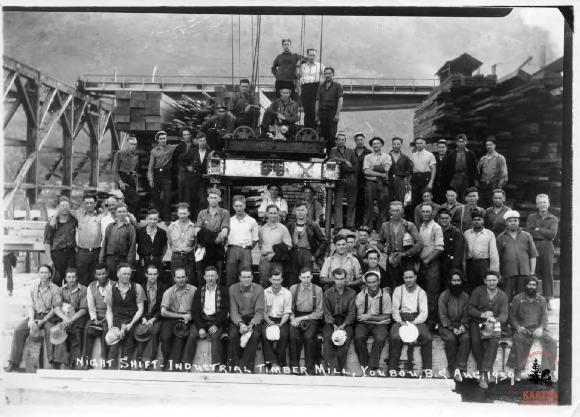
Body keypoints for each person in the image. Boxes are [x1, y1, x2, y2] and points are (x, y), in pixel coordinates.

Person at [5, 265, 63, 372]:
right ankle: (13, 362)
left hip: (48, 317)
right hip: (35, 315)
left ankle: (52, 362)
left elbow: (55, 308)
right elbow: (31, 305)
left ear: (50, 274)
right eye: (41, 272)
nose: (44, 275)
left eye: (46, 273)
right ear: (38, 274)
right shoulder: (34, 287)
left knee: (50, 331)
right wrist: (31, 319)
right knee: (19, 330)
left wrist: (44, 320)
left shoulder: (56, 289)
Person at [506, 276, 557, 381]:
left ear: (536, 286)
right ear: (525, 286)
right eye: (529, 284)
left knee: (551, 341)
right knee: (519, 340)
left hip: (538, 329)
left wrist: (541, 328)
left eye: (534, 285)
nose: (531, 287)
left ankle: (548, 371)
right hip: (523, 329)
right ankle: (518, 370)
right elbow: (512, 316)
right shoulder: (517, 299)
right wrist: (518, 327)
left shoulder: (541, 300)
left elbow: (545, 318)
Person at [468, 271, 508, 389]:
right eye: (489, 280)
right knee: (476, 342)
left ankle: (483, 374)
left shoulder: (502, 295)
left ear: (498, 280)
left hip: (494, 323)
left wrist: (494, 320)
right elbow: (470, 308)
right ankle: (484, 373)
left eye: (494, 280)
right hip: (478, 322)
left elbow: (504, 315)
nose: (491, 282)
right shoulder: (478, 291)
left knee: (493, 342)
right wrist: (482, 314)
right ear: (485, 281)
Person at [389, 268, 432, 373]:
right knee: (395, 337)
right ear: (403, 278)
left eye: (411, 277)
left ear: (415, 277)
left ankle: (427, 369)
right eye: (406, 277)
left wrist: (414, 323)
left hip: (416, 319)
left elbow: (424, 312)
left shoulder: (421, 292)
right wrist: (400, 322)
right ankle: (392, 368)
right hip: (401, 318)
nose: (408, 280)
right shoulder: (398, 290)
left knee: (427, 337)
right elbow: (394, 309)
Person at [105, 263, 145, 370]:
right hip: (116, 322)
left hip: (131, 321)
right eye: (124, 274)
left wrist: (131, 324)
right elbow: (109, 311)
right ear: (118, 274)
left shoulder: (137, 288)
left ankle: (125, 375)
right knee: (112, 351)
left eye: (128, 274)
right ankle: (110, 375)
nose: (126, 276)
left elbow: (140, 309)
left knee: (128, 350)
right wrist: (110, 327)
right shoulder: (110, 289)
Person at [159, 267, 197, 370]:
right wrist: (181, 316)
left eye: (183, 277)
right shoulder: (169, 292)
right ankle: (168, 363)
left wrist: (189, 316)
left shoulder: (194, 290)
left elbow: (198, 308)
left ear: (187, 277)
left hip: (189, 318)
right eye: (178, 277)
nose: (181, 280)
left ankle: (174, 367)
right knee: (165, 337)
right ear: (174, 278)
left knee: (179, 336)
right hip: (172, 317)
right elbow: (163, 312)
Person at [377, 201, 423, 287]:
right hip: (391, 260)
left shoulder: (409, 225)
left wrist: (406, 253)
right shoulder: (385, 226)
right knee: (391, 285)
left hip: (406, 261)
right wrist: (383, 248)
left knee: (407, 285)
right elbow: (379, 242)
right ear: (390, 211)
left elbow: (420, 243)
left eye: (398, 210)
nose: (395, 213)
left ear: (402, 210)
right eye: (393, 210)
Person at [228, 267, 265, 372]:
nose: (246, 279)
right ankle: (234, 365)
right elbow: (233, 311)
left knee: (254, 336)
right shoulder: (232, 289)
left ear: (252, 277)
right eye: (244, 277)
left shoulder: (259, 289)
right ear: (240, 277)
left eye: (249, 277)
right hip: (238, 318)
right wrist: (240, 324)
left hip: (253, 319)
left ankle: (246, 367)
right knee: (233, 334)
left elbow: (259, 312)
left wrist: (251, 325)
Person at [192, 266, 230, 367]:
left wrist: (216, 325)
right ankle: (185, 363)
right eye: (208, 276)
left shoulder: (223, 290)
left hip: (216, 320)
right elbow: (195, 311)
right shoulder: (199, 290)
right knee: (191, 335)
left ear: (217, 276)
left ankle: (217, 366)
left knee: (215, 337)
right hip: (202, 320)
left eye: (213, 275)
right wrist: (200, 328)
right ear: (204, 277)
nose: (210, 278)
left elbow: (225, 310)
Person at [496, 210, 538, 301]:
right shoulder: (500, 237)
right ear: (506, 223)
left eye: (515, 220)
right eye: (510, 221)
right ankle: (507, 314)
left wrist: (532, 272)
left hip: (524, 273)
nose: (513, 223)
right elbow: (497, 258)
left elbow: (533, 255)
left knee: (522, 297)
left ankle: (520, 314)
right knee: (506, 297)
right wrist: (498, 273)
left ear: (518, 222)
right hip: (507, 273)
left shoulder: (527, 236)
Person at [288, 267, 324, 375]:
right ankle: (294, 368)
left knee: (309, 337)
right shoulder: (293, 289)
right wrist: (293, 318)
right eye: (303, 277)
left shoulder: (317, 290)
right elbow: (289, 308)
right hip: (296, 316)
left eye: (308, 277)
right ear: (299, 277)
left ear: (312, 277)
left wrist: (301, 318)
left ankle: (310, 369)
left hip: (311, 317)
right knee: (293, 337)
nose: (306, 280)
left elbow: (319, 312)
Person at [354, 271, 391, 371]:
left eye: (374, 282)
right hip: (365, 324)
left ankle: (372, 367)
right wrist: (378, 319)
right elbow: (360, 317)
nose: (372, 284)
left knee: (380, 338)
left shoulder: (386, 296)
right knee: (359, 337)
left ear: (379, 281)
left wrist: (369, 316)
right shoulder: (360, 296)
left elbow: (387, 316)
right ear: (366, 283)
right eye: (369, 282)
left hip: (379, 325)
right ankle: (365, 366)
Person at [526, 194, 558, 310]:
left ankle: (548, 299)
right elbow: (529, 232)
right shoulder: (531, 217)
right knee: (532, 271)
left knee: (547, 272)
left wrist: (538, 229)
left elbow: (552, 234)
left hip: (547, 246)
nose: (543, 204)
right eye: (540, 202)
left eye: (545, 202)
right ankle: (531, 297)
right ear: (537, 205)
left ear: (548, 204)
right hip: (534, 244)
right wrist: (544, 232)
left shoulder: (553, 218)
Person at [437, 270, 470, 381]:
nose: (456, 283)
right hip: (446, 326)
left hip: (460, 325)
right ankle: (452, 369)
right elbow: (442, 316)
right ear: (450, 282)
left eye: (458, 280)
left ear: (461, 281)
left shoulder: (465, 297)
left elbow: (467, 314)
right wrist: (451, 328)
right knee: (451, 339)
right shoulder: (444, 295)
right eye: (454, 280)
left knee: (465, 338)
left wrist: (463, 326)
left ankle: (460, 369)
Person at [322, 268, 357, 373]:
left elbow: (352, 312)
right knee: (328, 337)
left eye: (342, 279)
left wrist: (344, 325)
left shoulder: (352, 293)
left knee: (344, 339)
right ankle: (330, 366)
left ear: (345, 279)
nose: (340, 281)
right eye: (337, 279)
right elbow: (326, 312)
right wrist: (333, 325)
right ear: (333, 279)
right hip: (331, 321)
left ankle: (338, 368)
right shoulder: (328, 293)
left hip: (346, 321)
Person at [135, 264, 169, 370]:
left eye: (155, 274)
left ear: (158, 275)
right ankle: (139, 359)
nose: (152, 277)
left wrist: (154, 319)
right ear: (146, 275)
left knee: (154, 331)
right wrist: (143, 318)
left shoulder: (164, 288)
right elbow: (138, 306)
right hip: (144, 316)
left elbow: (163, 307)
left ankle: (147, 360)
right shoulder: (140, 287)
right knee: (141, 331)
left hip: (157, 317)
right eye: (150, 274)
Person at [194, 188, 230, 287]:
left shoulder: (224, 213)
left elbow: (224, 232)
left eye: (215, 198)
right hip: (204, 248)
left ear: (219, 199)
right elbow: (197, 230)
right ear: (207, 199)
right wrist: (212, 236)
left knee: (217, 275)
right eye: (211, 197)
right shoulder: (202, 213)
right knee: (202, 275)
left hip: (217, 248)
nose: (213, 200)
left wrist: (207, 235)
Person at [287, 201, 328, 287]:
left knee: (306, 279)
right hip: (293, 254)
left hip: (307, 254)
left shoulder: (313, 225)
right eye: (298, 210)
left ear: (306, 211)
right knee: (292, 280)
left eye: (302, 210)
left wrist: (315, 256)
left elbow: (323, 241)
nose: (300, 212)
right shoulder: (290, 225)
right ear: (295, 211)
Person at [54, 268, 88, 368]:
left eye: (73, 277)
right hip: (65, 317)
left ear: (77, 277)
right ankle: (61, 362)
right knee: (60, 329)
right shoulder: (61, 290)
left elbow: (83, 309)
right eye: (69, 277)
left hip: (78, 317)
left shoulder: (84, 289)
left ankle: (75, 362)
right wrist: (65, 318)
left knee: (76, 331)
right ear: (65, 278)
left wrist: (71, 319)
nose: (71, 279)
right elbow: (56, 307)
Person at [417, 204, 444, 329]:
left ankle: (432, 323)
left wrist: (427, 260)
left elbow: (439, 248)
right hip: (422, 264)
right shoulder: (422, 226)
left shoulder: (436, 227)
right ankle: (423, 320)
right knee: (422, 293)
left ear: (432, 213)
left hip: (432, 263)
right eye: (423, 212)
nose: (426, 214)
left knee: (432, 294)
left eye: (428, 211)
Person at [177, 129, 212, 219]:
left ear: (206, 141)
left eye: (203, 141)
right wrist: (187, 167)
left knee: (203, 201)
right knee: (191, 201)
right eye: (200, 141)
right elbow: (181, 158)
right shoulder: (193, 151)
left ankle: (201, 220)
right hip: (192, 179)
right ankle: (191, 220)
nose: (202, 143)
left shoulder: (209, 152)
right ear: (197, 142)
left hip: (203, 180)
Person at [463, 208, 500, 293]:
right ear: (472, 221)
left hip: (483, 264)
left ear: (483, 221)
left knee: (484, 288)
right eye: (474, 220)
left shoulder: (489, 234)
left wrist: (494, 272)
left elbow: (493, 254)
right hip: (471, 264)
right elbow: (464, 253)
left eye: (479, 219)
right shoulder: (467, 233)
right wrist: (464, 268)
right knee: (471, 288)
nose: (476, 222)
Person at [262, 270, 292, 371]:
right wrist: (269, 322)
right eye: (274, 280)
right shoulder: (265, 292)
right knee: (265, 334)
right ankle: (271, 362)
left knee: (283, 335)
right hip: (268, 319)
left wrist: (281, 324)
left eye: (278, 280)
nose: (276, 282)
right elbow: (263, 311)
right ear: (270, 279)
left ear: (282, 280)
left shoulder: (287, 293)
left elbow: (287, 312)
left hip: (282, 319)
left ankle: (280, 363)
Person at [226, 195, 259, 287]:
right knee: (230, 277)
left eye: (241, 206)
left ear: (244, 206)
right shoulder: (229, 221)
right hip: (232, 250)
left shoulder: (251, 221)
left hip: (245, 251)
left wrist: (246, 249)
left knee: (246, 276)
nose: (239, 208)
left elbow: (255, 239)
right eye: (236, 206)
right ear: (233, 206)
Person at [147, 131, 179, 224]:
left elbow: (181, 146)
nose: (163, 140)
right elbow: (150, 167)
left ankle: (167, 219)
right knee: (156, 197)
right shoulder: (154, 151)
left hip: (166, 175)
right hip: (157, 174)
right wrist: (151, 179)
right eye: (161, 139)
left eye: (164, 138)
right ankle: (158, 218)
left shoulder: (170, 148)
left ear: (166, 139)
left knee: (167, 197)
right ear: (158, 140)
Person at [44, 196, 77, 286]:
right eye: (62, 205)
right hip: (57, 255)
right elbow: (47, 242)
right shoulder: (52, 223)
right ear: (58, 207)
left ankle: (69, 300)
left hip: (70, 255)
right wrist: (49, 259)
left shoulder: (73, 221)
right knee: (56, 281)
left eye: (67, 206)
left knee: (70, 281)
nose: (65, 208)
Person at [83, 264, 111, 367]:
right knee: (88, 329)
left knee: (106, 331)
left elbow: (112, 307)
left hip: (109, 316)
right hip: (96, 316)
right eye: (99, 274)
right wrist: (94, 319)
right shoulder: (91, 286)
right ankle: (86, 361)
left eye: (103, 273)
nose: (101, 276)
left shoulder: (113, 285)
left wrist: (105, 319)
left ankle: (105, 362)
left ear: (107, 273)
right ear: (95, 275)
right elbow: (91, 305)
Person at [99, 203, 136, 281]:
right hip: (110, 259)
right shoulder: (110, 226)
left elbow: (132, 248)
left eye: (124, 211)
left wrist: (128, 264)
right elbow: (104, 244)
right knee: (110, 281)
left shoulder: (130, 228)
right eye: (119, 211)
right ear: (115, 213)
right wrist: (101, 261)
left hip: (123, 260)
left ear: (127, 213)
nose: (122, 214)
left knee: (122, 281)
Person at [73, 194, 104, 287]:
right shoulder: (78, 215)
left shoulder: (101, 216)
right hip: (82, 252)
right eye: (87, 203)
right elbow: (64, 210)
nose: (89, 205)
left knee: (95, 279)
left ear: (95, 203)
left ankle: (93, 300)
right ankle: (83, 300)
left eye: (91, 203)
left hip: (96, 252)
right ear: (83, 204)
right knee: (82, 279)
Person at [329, 132, 358, 230]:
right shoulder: (333, 150)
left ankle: (350, 224)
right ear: (336, 141)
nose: (341, 141)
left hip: (350, 177)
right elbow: (332, 159)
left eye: (343, 139)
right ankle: (338, 226)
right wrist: (344, 161)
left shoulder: (351, 151)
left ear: (345, 141)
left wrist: (353, 175)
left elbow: (355, 164)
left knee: (352, 202)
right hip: (339, 177)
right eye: (339, 139)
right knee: (338, 202)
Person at [258, 205, 292, 287]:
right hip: (264, 260)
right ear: (266, 214)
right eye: (270, 213)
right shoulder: (262, 229)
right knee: (263, 282)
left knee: (277, 283)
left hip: (277, 260)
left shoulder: (283, 229)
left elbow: (288, 246)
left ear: (278, 214)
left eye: (275, 213)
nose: (273, 215)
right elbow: (260, 244)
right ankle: (265, 299)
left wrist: (274, 255)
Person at [362, 136, 391, 228]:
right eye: (373, 144)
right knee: (368, 206)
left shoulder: (387, 156)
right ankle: (367, 228)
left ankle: (382, 229)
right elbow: (366, 171)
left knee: (383, 207)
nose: (375, 145)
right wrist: (381, 174)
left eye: (377, 143)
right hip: (370, 183)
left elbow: (386, 168)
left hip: (382, 184)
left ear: (381, 144)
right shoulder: (367, 157)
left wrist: (373, 168)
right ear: (371, 146)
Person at [441, 134, 478, 203]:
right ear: (456, 143)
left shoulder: (470, 154)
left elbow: (474, 168)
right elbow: (447, 169)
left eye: (463, 142)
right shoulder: (452, 154)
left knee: (465, 197)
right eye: (459, 142)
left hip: (466, 178)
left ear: (466, 142)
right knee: (454, 196)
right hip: (455, 178)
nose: (461, 143)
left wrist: (475, 180)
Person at [167, 203, 197, 286]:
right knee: (175, 282)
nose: (182, 216)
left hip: (189, 257)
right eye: (180, 213)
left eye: (184, 213)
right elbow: (170, 242)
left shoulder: (194, 227)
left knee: (190, 281)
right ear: (177, 214)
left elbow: (196, 243)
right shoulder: (171, 227)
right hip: (176, 257)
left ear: (189, 213)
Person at [136, 209, 168, 286]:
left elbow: (165, 246)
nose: (152, 221)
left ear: (158, 219)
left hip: (157, 260)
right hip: (144, 260)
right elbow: (137, 245)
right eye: (150, 219)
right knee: (143, 281)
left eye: (155, 219)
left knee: (159, 282)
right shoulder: (140, 232)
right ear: (147, 218)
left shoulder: (162, 232)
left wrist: (161, 257)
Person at [315, 67, 343, 152]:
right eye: (326, 73)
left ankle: (331, 155)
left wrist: (337, 114)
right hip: (322, 113)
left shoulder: (337, 86)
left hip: (332, 112)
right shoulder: (321, 87)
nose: (327, 75)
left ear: (333, 74)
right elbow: (317, 101)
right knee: (322, 133)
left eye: (329, 73)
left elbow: (340, 100)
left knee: (331, 134)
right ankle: (324, 154)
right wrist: (316, 115)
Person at [437, 209, 464, 291]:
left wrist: (455, 269)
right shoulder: (437, 231)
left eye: (446, 218)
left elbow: (458, 253)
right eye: (442, 218)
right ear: (439, 219)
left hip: (451, 265)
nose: (444, 220)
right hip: (439, 265)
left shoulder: (456, 232)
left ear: (450, 219)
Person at [477, 135, 508, 208]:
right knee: (482, 207)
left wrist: (498, 188)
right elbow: (477, 173)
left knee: (493, 207)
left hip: (494, 185)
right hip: (483, 186)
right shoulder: (482, 159)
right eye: (487, 145)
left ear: (494, 145)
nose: (488, 146)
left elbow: (505, 176)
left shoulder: (500, 158)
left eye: (490, 144)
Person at [112, 136, 140, 217]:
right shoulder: (119, 153)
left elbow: (135, 170)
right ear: (127, 144)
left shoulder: (136, 155)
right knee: (136, 199)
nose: (133, 146)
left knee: (129, 201)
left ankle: (131, 221)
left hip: (132, 178)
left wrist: (136, 184)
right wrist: (120, 182)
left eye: (135, 144)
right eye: (131, 144)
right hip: (123, 178)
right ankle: (131, 218)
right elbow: (114, 169)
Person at [299, 48, 324, 127]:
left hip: (316, 88)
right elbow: (298, 77)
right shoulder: (302, 66)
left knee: (314, 110)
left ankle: (314, 128)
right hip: (305, 88)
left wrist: (322, 82)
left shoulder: (320, 65)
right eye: (310, 55)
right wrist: (299, 90)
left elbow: (327, 74)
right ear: (307, 55)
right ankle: (307, 128)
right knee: (306, 110)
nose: (312, 57)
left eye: (313, 55)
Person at [409, 136, 436, 211]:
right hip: (415, 179)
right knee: (415, 201)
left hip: (425, 178)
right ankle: (416, 220)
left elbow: (433, 169)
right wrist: (408, 182)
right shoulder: (412, 155)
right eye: (417, 143)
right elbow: (411, 170)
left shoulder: (430, 155)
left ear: (425, 143)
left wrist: (431, 182)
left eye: (421, 143)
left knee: (426, 199)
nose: (419, 145)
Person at [353, 133, 372, 227]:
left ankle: (364, 224)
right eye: (358, 140)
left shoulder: (368, 153)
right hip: (354, 180)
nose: (360, 141)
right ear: (355, 141)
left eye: (361, 139)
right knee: (354, 202)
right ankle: (355, 224)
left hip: (365, 180)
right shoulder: (352, 152)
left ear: (364, 140)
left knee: (365, 203)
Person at [388, 136, 413, 205]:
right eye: (394, 144)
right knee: (388, 200)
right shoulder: (387, 156)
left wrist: (406, 180)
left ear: (401, 145)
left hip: (400, 180)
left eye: (398, 144)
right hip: (389, 181)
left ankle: (400, 215)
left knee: (400, 200)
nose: (396, 146)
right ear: (392, 144)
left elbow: (410, 170)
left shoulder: (405, 157)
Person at [433, 139, 448, 204]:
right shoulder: (433, 158)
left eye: (443, 147)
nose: (441, 149)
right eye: (439, 147)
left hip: (446, 185)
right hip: (435, 184)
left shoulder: (450, 158)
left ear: (446, 148)